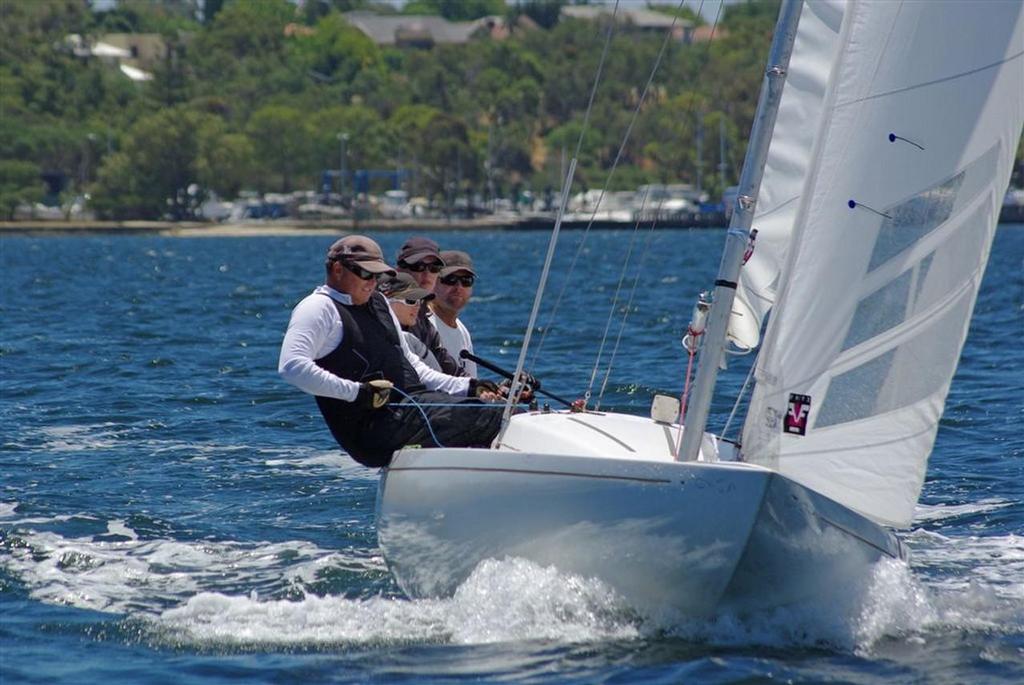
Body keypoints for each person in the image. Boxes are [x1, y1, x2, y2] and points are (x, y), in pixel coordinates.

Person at [278, 235, 502, 468]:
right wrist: (357, 392)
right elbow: (292, 367)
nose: (372, 282)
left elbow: (413, 365)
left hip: (413, 409)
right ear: (337, 269)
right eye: (366, 273)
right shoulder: (319, 307)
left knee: (505, 410)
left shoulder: (379, 303)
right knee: (493, 417)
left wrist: (468, 386)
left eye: (376, 275)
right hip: (376, 429)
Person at [394, 237, 465, 376]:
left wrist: (483, 388)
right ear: (399, 270)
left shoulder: (424, 321)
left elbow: (449, 368)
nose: (427, 274)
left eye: (434, 268)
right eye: (418, 266)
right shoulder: (384, 312)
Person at [430, 249, 478, 377]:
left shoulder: (463, 332)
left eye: (466, 280)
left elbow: (471, 383)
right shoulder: (423, 325)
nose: (459, 287)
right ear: (433, 281)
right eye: (450, 279)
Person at [380, 272, 443, 371]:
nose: (418, 306)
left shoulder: (423, 330)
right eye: (411, 301)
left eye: (420, 301)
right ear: (387, 301)